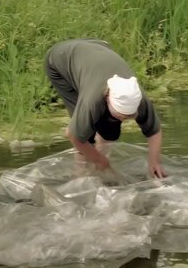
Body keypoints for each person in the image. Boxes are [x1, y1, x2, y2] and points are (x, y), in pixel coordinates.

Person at [44, 38, 167, 178]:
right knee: (85, 132)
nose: (122, 120)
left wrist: (154, 162)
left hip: (97, 46)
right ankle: (80, 175)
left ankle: (100, 171)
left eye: (126, 117)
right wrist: (100, 160)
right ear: (107, 97)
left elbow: (154, 131)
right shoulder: (93, 100)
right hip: (61, 58)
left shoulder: (139, 99)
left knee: (110, 130)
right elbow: (73, 135)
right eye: (119, 115)